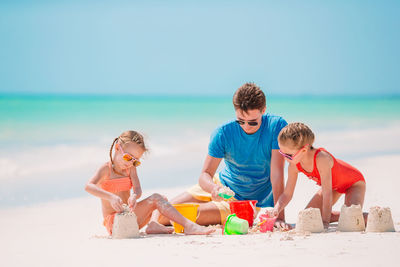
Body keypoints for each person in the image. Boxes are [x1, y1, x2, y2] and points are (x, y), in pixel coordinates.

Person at [157, 83, 288, 227]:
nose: (246, 127)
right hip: (220, 185)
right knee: (161, 212)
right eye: (240, 121)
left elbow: (277, 174)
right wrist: (214, 189)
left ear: (263, 110)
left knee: (169, 218)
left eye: (252, 123)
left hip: (242, 202)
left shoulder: (276, 126)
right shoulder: (223, 132)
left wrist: (279, 216)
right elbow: (205, 175)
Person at [85, 130, 214, 236]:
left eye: (135, 161)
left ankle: (153, 224)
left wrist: (134, 196)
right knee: (157, 199)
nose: (130, 163)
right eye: (128, 157)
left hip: (129, 217)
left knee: (162, 199)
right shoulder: (106, 169)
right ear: (118, 147)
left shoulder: (130, 169)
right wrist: (110, 197)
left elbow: (137, 189)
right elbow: (88, 186)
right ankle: (188, 226)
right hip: (115, 223)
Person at [269, 122, 366, 229]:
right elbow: (287, 194)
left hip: (354, 183)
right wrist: (276, 209)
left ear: (304, 150)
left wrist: (325, 222)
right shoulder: (294, 165)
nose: (285, 158)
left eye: (288, 155)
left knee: (352, 218)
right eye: (282, 153)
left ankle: (376, 215)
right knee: (308, 217)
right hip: (333, 186)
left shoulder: (321, 159)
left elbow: (327, 193)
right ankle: (337, 216)